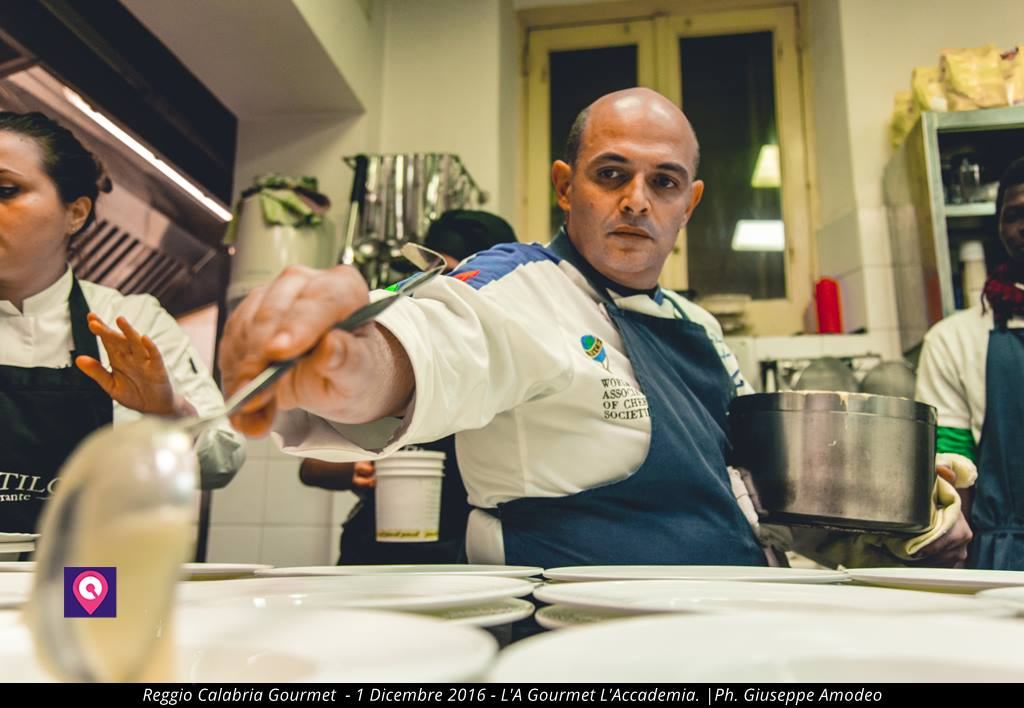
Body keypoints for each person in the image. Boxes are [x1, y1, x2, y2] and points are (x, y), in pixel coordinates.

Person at [220, 88, 969, 568]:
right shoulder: (520, 288)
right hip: (579, 647)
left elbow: (752, 490)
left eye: (663, 182)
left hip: (734, 629)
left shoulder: (699, 328)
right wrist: (343, 358)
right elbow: (432, 346)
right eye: (612, 174)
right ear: (564, 185)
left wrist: (893, 511)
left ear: (689, 203)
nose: (637, 199)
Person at [0, 111, 244, 533]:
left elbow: (222, 463)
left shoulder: (134, 321)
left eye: (6, 190)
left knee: (83, 583)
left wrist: (169, 415)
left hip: (87, 569)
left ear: (76, 213)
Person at [298, 210, 518, 564]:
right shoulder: (399, 351)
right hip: (371, 554)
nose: (439, 290)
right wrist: (356, 469)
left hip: (463, 559)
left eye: (456, 276)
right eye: (430, 275)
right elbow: (312, 466)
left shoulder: (510, 367)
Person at [916, 156, 1024, 570]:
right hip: (1005, 566)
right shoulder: (954, 340)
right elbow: (953, 479)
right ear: (999, 228)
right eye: (1014, 215)